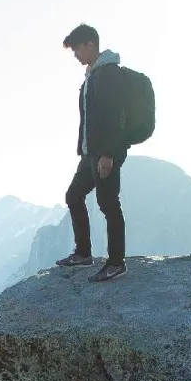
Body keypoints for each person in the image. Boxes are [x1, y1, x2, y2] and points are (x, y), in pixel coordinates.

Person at [57, 23, 128, 282]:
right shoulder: (92, 75)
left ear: (89, 44)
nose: (75, 54)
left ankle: (116, 263)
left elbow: (113, 117)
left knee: (108, 204)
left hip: (105, 153)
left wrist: (108, 154)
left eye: (76, 48)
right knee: (73, 195)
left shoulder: (108, 73)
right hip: (91, 154)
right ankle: (83, 253)